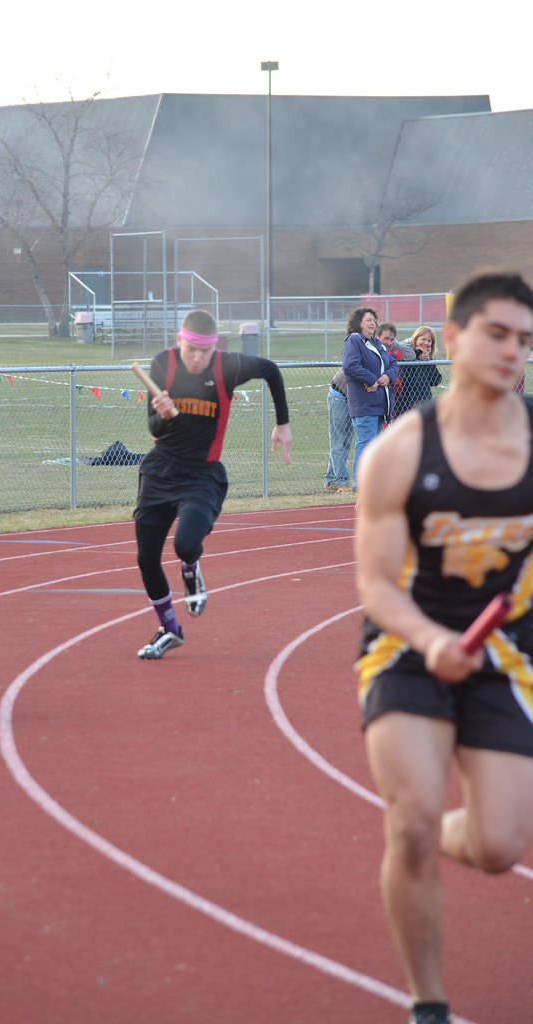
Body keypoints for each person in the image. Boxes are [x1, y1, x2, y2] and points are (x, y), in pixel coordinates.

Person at [354, 268, 533, 1024]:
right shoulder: (398, 451)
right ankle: (427, 1001)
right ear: (453, 338)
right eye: (496, 334)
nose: (512, 351)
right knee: (412, 821)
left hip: (505, 655)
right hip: (406, 647)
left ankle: (453, 830)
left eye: (524, 339)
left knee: (498, 848)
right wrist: (431, 642)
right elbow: (376, 584)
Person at [133, 308, 292, 659]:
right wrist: (161, 413)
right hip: (160, 472)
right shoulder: (163, 364)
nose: (197, 358)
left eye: (204, 351)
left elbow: (271, 370)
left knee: (186, 545)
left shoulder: (226, 366)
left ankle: (190, 569)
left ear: (214, 347)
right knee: (146, 558)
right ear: (180, 341)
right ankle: (169, 629)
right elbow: (154, 429)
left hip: (202, 476)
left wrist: (282, 423)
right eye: (191, 350)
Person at [341, 307, 399, 490]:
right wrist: (371, 379)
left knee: (376, 445)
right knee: (366, 442)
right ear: (358, 322)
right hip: (364, 402)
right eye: (368, 320)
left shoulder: (376, 343)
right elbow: (350, 365)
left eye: (374, 320)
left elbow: (392, 363)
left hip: (380, 402)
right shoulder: (354, 340)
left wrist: (388, 376)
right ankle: (360, 483)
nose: (372, 323)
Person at [394, 325, 443, 417]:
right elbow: (405, 379)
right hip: (405, 406)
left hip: (424, 404)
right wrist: (416, 356)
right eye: (423, 339)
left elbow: (436, 381)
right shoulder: (406, 355)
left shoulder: (427, 358)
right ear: (416, 339)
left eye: (429, 341)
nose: (426, 343)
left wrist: (428, 362)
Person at [323, 366, 353, 492]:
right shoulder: (359, 354)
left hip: (354, 398)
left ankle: (330, 479)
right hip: (339, 394)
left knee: (346, 442)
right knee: (338, 441)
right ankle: (341, 481)